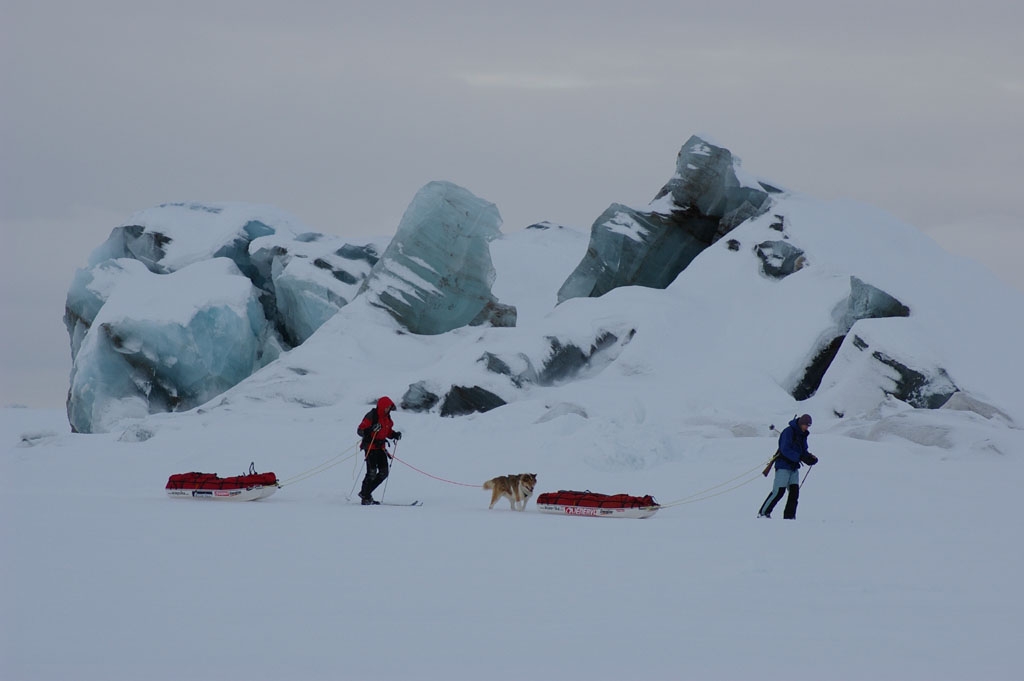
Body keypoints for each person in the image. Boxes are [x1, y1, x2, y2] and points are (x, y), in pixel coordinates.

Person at [758, 414, 818, 519]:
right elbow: (785, 449)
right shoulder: (788, 431)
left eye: (808, 426)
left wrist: (809, 458)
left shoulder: (803, 435)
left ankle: (789, 517)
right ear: (801, 423)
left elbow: (803, 450)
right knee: (778, 492)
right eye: (805, 425)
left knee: (794, 493)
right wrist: (799, 457)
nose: (807, 428)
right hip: (783, 466)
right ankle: (763, 513)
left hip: (794, 467)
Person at [356, 396, 402, 505]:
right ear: (381, 406)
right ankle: (366, 496)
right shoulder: (372, 416)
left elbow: (388, 432)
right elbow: (360, 430)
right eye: (386, 407)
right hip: (370, 447)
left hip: (381, 447)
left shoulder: (387, 418)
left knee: (384, 473)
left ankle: (365, 493)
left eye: (389, 407)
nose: (388, 409)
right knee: (371, 473)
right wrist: (371, 429)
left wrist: (394, 435)